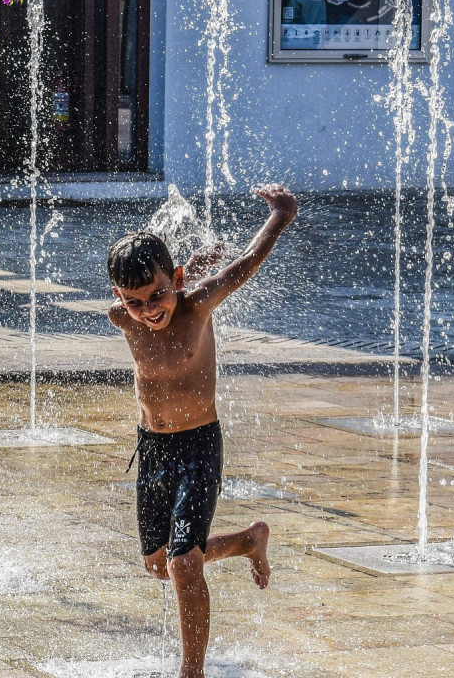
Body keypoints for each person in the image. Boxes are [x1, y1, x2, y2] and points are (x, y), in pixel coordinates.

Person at [106, 185, 298, 678]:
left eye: (158, 295)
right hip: (152, 448)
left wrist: (280, 215)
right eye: (135, 301)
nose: (150, 309)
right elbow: (148, 295)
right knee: (159, 564)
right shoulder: (121, 319)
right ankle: (247, 541)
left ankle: (192, 672)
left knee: (184, 565)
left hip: (197, 447)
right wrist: (185, 268)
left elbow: (246, 264)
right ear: (119, 299)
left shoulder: (196, 306)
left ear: (177, 281)